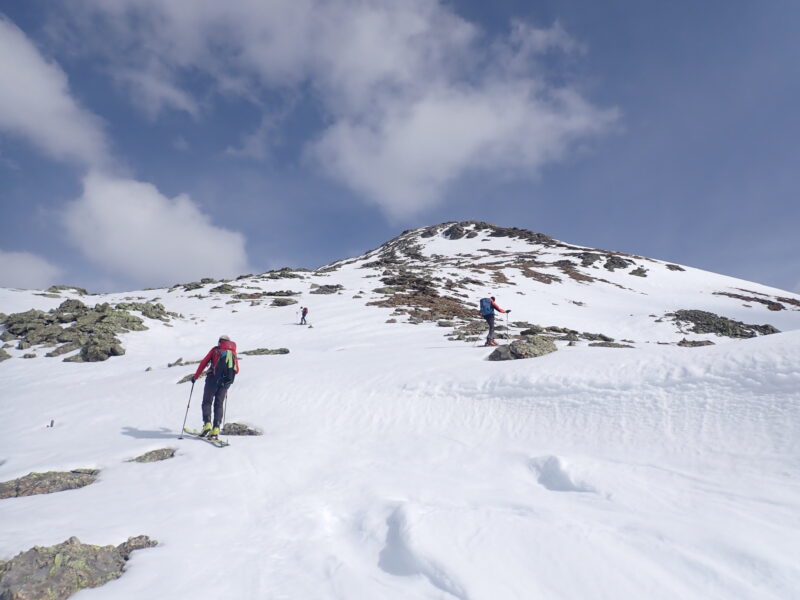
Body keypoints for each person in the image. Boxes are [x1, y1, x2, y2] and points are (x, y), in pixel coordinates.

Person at [191, 335, 240, 439]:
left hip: (212, 380)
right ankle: (216, 428)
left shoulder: (215, 350)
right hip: (225, 383)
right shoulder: (233, 353)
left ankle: (207, 424)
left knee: (207, 402)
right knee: (219, 404)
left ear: (220, 342)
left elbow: (204, 362)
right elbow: (237, 370)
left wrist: (195, 376)